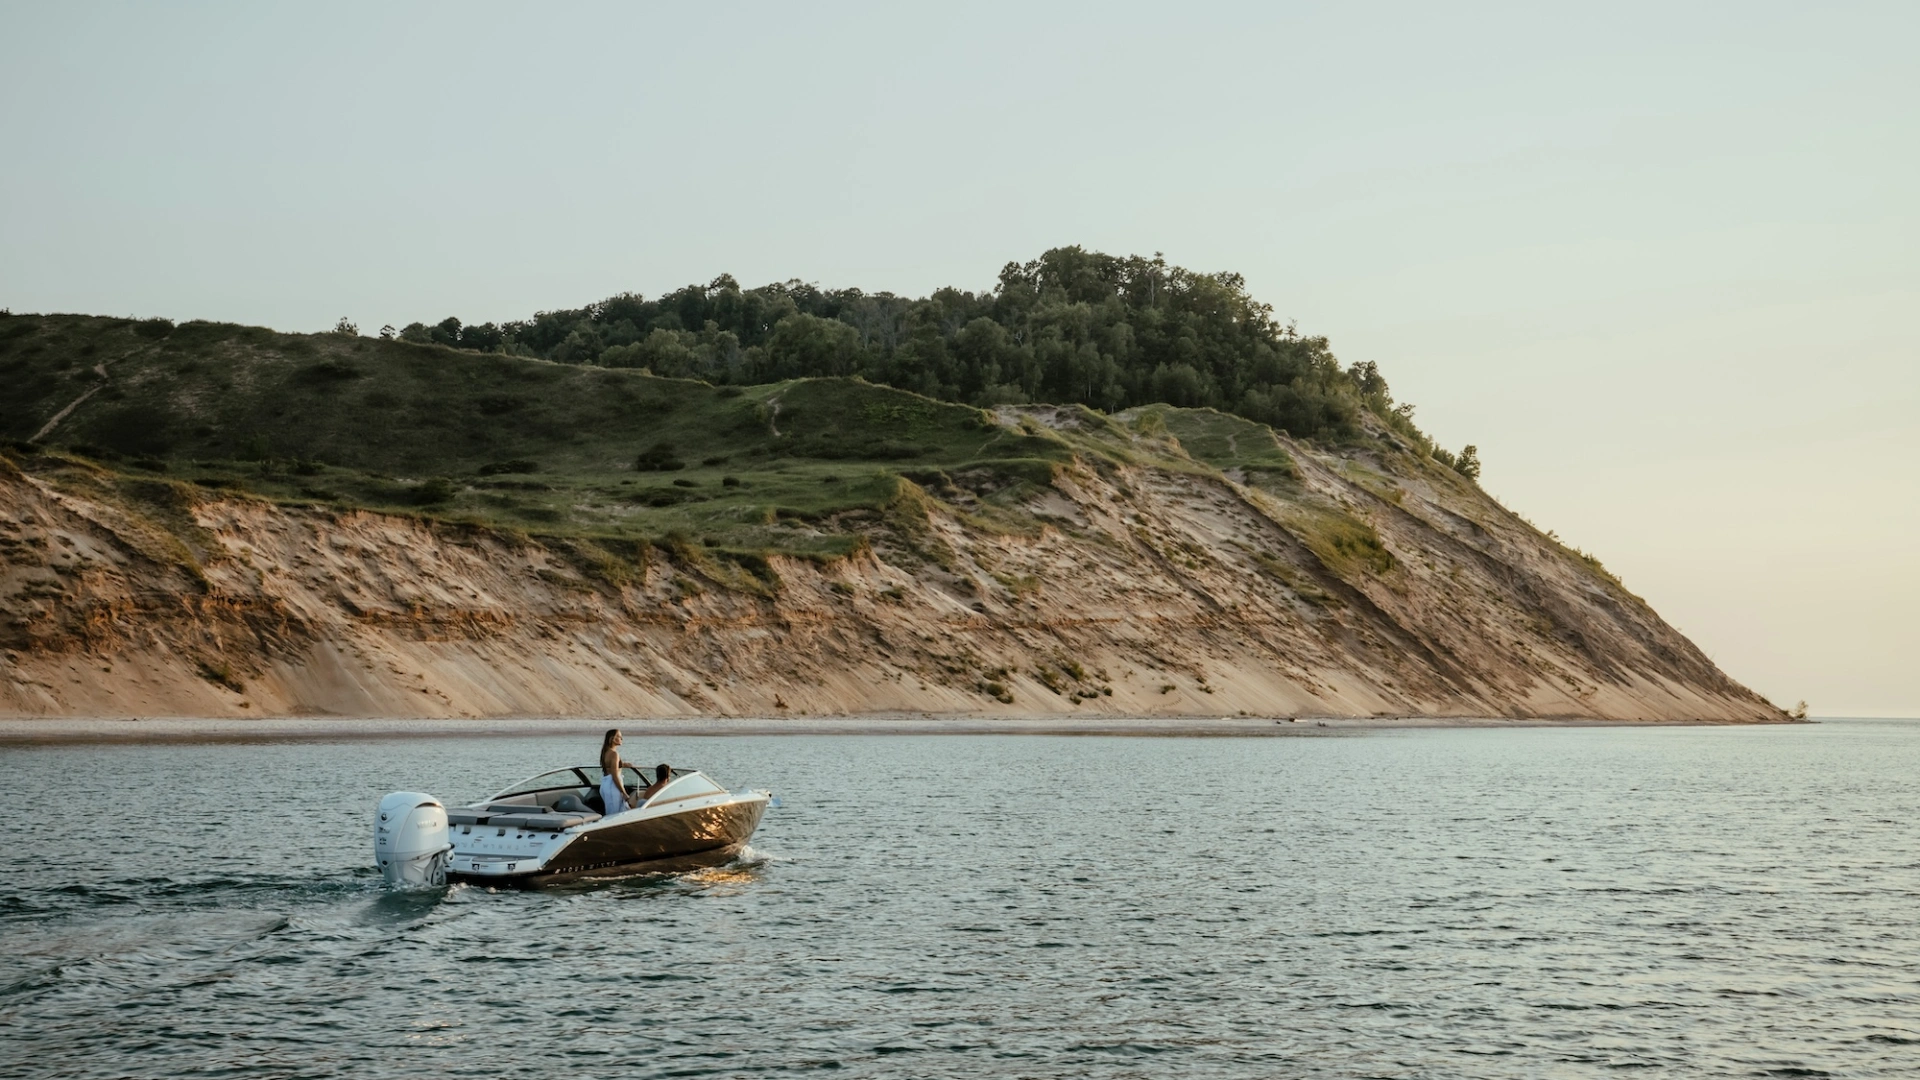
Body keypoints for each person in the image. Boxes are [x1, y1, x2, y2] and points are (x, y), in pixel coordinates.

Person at [598, 729, 635, 816]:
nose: (621, 738)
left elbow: (610, 766)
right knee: (613, 816)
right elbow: (614, 775)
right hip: (612, 786)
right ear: (612, 739)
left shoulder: (606, 752)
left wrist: (623, 764)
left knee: (613, 813)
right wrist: (624, 792)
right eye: (619, 736)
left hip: (605, 784)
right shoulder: (614, 754)